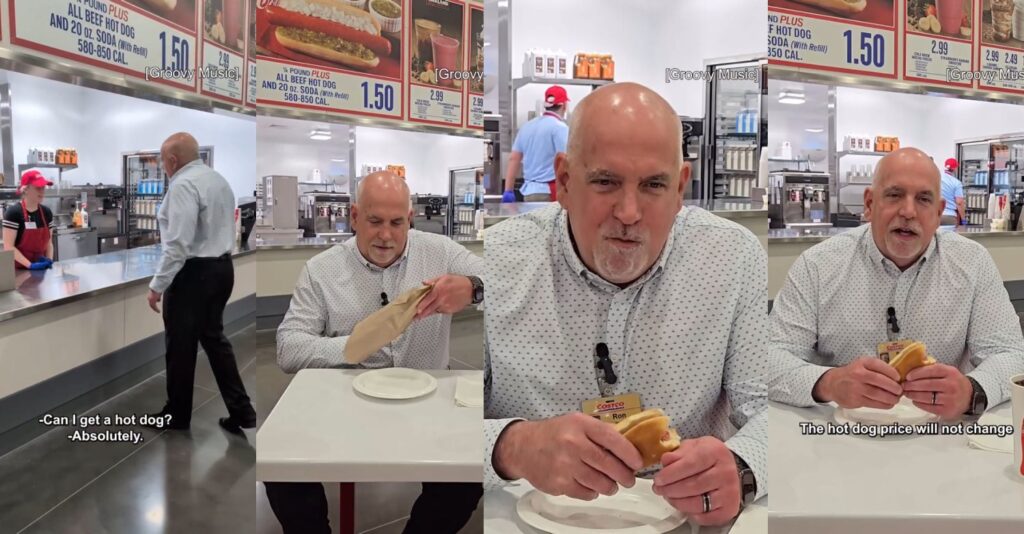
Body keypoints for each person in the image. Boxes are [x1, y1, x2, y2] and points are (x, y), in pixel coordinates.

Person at [484, 83, 767, 527]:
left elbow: (769, 407)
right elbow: (442, 424)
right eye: (605, 182)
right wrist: (511, 446)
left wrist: (746, 468)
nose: (629, 212)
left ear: (680, 188)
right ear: (563, 181)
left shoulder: (733, 259)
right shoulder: (496, 261)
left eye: (654, 185)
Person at [266, 171, 485, 534]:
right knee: (282, 470)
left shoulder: (440, 252)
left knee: (468, 476)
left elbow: (504, 278)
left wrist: (474, 287)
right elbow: (288, 348)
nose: (386, 235)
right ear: (354, 217)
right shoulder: (321, 271)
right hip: (344, 403)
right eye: (375, 221)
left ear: (410, 219)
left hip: (428, 401)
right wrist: (356, 345)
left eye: (397, 223)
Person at [770, 148, 1024, 420]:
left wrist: (972, 391)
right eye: (894, 195)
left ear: (939, 213)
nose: (908, 211)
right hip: (837, 435)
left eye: (924, 199)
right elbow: (770, 357)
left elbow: (1010, 353)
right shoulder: (818, 266)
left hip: (940, 439)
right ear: (869, 204)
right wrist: (828, 382)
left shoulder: (972, 263)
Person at [144, 132, 257, 434]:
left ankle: (177, 416)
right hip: (222, 270)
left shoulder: (182, 185)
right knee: (215, 341)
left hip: (193, 276)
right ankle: (242, 411)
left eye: (163, 160)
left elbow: (178, 244)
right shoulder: (218, 180)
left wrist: (157, 285)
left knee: (180, 346)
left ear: (172, 159)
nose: (163, 166)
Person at [502, 85, 570, 203]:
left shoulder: (526, 126)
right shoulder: (560, 128)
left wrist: (508, 190)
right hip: (549, 194)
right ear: (564, 105)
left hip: (529, 193)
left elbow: (514, 159)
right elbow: (566, 160)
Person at [2, 170, 55, 270]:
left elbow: (49, 243)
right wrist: (30, 265)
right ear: (25, 189)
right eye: (38, 187)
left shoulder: (46, 212)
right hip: (18, 271)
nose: (42, 191)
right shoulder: (13, 213)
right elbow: (8, 247)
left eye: (43, 187)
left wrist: (48, 261)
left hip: (41, 270)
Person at [940, 158, 965, 225]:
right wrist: (963, 219)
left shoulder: (936, 178)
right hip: (949, 216)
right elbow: (959, 202)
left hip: (935, 215)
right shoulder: (956, 183)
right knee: (949, 235)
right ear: (955, 168)